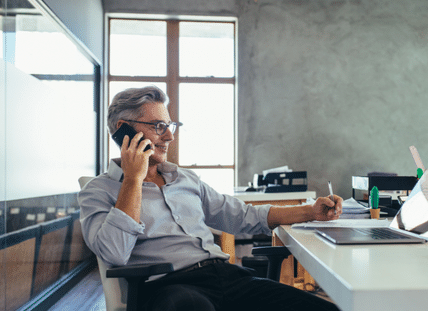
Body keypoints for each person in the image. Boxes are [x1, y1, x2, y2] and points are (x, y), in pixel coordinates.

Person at [78, 86, 343, 311]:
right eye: (159, 126)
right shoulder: (99, 191)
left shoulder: (186, 179)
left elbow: (245, 216)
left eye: (169, 126)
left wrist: (311, 211)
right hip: (170, 288)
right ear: (123, 131)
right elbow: (114, 252)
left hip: (227, 277)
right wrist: (134, 179)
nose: (169, 136)